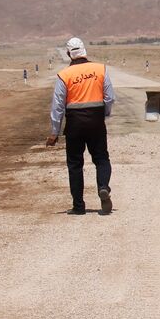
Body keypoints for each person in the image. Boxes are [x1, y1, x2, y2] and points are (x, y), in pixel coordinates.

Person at [46, 37, 115, 215]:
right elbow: (109, 97)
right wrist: (103, 113)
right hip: (96, 121)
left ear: (69, 54)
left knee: (75, 164)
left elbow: (58, 106)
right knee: (101, 158)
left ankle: (78, 206)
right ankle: (103, 187)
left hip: (74, 124)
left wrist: (54, 132)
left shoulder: (64, 75)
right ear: (85, 51)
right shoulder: (100, 69)